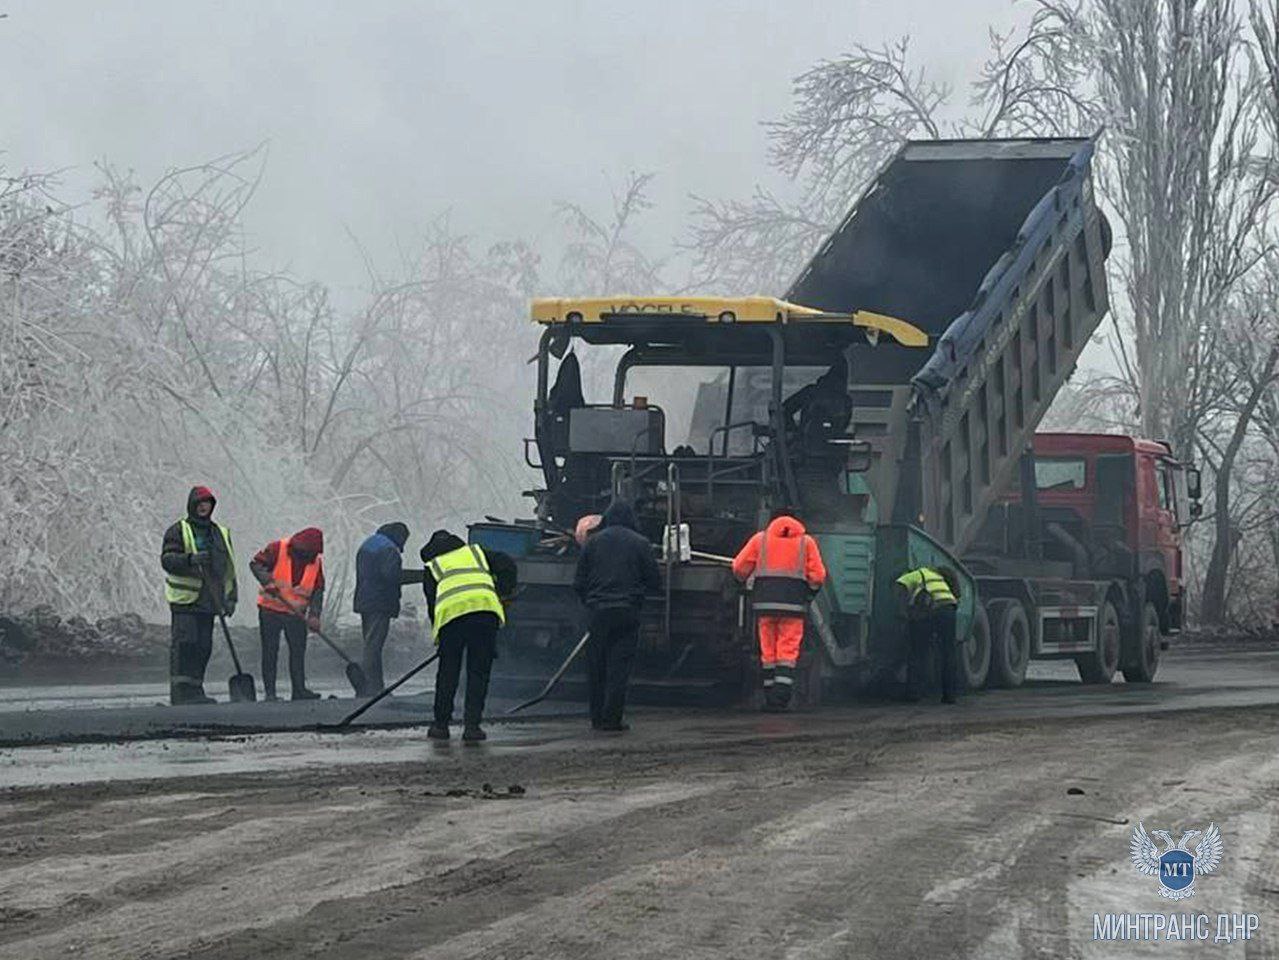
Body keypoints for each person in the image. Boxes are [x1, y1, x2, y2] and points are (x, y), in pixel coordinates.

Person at [573, 500, 661, 732]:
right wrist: (640, 598)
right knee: (619, 668)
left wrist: (590, 604)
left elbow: (579, 582)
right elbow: (654, 581)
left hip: (598, 613)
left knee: (596, 666)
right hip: (627, 612)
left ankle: (596, 718)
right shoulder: (641, 543)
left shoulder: (592, 543)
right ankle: (613, 719)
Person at [421, 530, 516, 742]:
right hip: (484, 614)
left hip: (452, 621)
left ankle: (441, 726)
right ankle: (472, 727)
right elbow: (508, 564)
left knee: (448, 672)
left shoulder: (433, 566)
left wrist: (440, 637)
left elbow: (432, 605)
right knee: (478, 672)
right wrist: (503, 591)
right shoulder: (477, 553)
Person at [732, 509, 827, 711]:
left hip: (764, 604)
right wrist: (809, 594)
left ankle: (769, 697)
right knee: (787, 652)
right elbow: (818, 576)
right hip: (794, 606)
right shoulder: (806, 542)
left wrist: (743, 584)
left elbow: (739, 567)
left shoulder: (760, 540)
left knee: (768, 652)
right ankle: (781, 698)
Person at [160, 486, 238, 705]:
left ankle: (196, 689)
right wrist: (190, 560)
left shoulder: (220, 533)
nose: (204, 507)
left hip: (210, 599)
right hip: (185, 600)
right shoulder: (178, 530)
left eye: (208, 503)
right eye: (200, 503)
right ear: (192, 505)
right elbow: (167, 560)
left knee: (204, 646)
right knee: (186, 644)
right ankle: (180, 692)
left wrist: (230, 598)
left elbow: (230, 569)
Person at [250, 527, 325, 701]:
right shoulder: (277, 548)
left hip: (296, 614)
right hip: (270, 610)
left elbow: (318, 590)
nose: (308, 557)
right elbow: (256, 564)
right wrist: (267, 581)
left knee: (298, 652)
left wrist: (314, 615)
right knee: (270, 651)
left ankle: (299, 690)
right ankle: (270, 693)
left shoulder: (315, 561)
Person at [354, 522, 410, 692]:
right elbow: (392, 575)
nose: (402, 548)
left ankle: (375, 685)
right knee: (374, 645)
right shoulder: (389, 549)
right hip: (380, 602)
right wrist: (422, 576)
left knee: (370, 642)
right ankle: (371, 686)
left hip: (364, 599)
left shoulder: (369, 543)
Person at [896, 565, 961, 704]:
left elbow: (900, 584)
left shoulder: (917, 574)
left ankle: (913, 694)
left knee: (918, 651)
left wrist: (903, 611)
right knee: (948, 653)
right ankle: (950, 696)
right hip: (949, 609)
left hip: (930, 610)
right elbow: (957, 595)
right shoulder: (939, 578)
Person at [782, 357, 852, 446]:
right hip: (832, 449)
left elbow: (785, 409)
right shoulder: (846, 401)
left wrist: (792, 431)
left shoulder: (811, 391)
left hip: (806, 445)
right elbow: (844, 425)